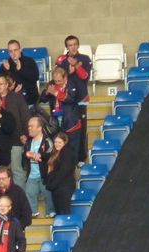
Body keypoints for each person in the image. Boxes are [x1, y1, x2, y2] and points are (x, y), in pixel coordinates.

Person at [55, 35, 92, 163]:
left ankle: (81, 158)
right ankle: (65, 157)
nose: (73, 47)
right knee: (65, 128)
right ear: (66, 47)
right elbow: (58, 79)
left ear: (78, 45)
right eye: (70, 45)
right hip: (66, 99)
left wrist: (76, 65)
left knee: (81, 128)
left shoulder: (85, 59)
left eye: (75, 44)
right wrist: (69, 73)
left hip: (81, 98)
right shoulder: (61, 61)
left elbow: (85, 77)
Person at [0, 75, 30, 187]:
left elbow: (25, 117)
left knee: (16, 170)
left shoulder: (17, 98)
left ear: (7, 85)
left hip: (15, 139)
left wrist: (25, 134)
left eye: (1, 84)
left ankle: (21, 198)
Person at [40, 68, 82, 165]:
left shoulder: (72, 84)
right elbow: (43, 99)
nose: (57, 83)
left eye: (59, 81)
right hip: (56, 121)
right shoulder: (52, 84)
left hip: (71, 123)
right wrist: (47, 92)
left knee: (71, 149)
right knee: (58, 148)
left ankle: (72, 169)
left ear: (65, 78)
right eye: (55, 81)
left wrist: (56, 93)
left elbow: (71, 99)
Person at [23, 116, 53, 218]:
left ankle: (50, 212)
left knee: (48, 194)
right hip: (32, 175)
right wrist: (27, 154)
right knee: (29, 192)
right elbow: (24, 156)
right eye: (28, 126)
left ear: (39, 128)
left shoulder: (47, 141)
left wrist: (41, 156)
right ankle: (33, 212)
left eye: (32, 126)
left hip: (44, 175)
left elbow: (52, 155)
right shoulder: (28, 142)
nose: (29, 128)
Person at [0, 40, 40, 105]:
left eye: (15, 50)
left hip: (30, 101)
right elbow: (0, 84)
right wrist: (7, 71)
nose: (13, 53)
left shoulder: (29, 61)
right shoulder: (5, 65)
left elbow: (35, 77)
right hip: (12, 102)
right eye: (11, 51)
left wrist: (21, 70)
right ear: (8, 52)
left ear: (20, 49)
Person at [44, 132, 77, 217]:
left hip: (64, 187)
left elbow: (64, 170)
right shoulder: (55, 153)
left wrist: (52, 184)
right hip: (58, 188)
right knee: (60, 213)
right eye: (55, 142)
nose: (56, 144)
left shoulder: (67, 152)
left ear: (65, 142)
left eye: (59, 142)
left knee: (64, 212)